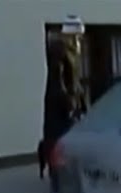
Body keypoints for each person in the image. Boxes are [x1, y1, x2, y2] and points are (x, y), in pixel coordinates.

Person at [39, 14, 87, 180]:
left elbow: (75, 81)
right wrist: (69, 104)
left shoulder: (72, 50)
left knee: (67, 145)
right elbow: (57, 81)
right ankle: (58, 181)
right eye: (77, 35)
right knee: (58, 143)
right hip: (59, 109)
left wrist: (82, 103)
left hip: (69, 106)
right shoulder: (59, 50)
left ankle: (66, 176)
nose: (79, 39)